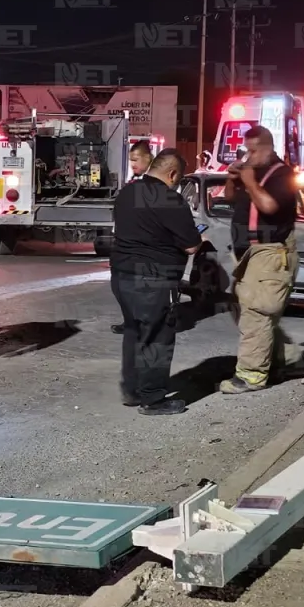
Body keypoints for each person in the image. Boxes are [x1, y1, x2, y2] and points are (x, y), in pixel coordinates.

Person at [110, 150, 203, 415]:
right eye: (178, 179)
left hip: (121, 275)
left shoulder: (128, 192)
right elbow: (191, 246)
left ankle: (132, 390)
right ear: (172, 174)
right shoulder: (170, 199)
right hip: (153, 279)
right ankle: (153, 398)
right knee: (157, 337)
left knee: (133, 332)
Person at [219, 125, 299, 394]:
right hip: (248, 254)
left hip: (270, 252)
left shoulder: (283, 175)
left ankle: (250, 376)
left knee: (256, 314)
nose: (248, 156)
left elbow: (269, 207)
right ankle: (273, 366)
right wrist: (233, 177)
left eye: (253, 150)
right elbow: (229, 198)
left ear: (268, 148)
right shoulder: (251, 170)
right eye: (245, 150)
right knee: (257, 312)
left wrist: (251, 180)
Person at [111, 140, 166, 334]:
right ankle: (131, 322)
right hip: (126, 245)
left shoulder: (156, 182)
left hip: (147, 246)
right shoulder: (134, 181)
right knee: (119, 286)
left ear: (147, 158)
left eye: (136, 159)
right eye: (130, 160)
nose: (132, 164)